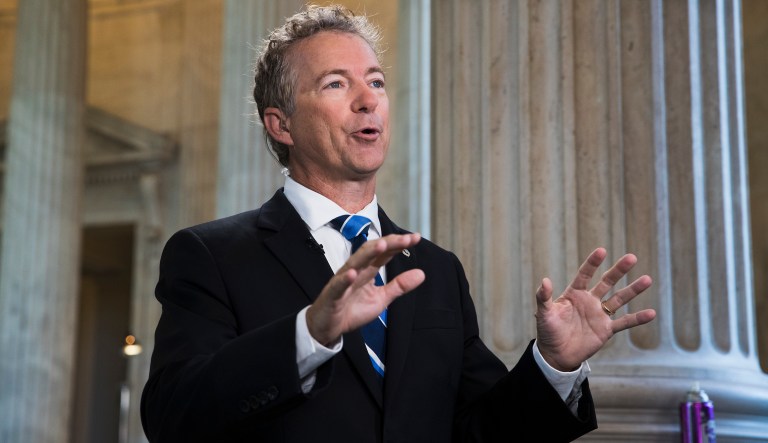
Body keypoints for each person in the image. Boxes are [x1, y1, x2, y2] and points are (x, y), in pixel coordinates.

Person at [140, 5, 657, 442]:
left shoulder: (436, 269)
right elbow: (172, 415)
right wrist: (308, 335)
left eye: (377, 82)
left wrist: (553, 365)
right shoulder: (211, 255)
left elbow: (483, 431)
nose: (368, 100)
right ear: (282, 124)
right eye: (336, 83)